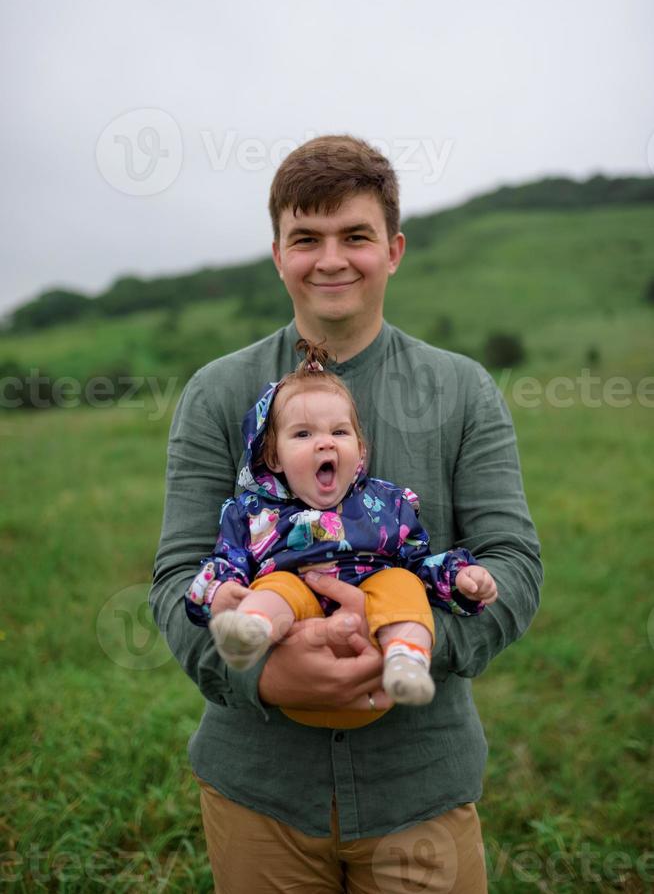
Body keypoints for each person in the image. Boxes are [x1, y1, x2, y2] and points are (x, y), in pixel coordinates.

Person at [150, 134, 542, 893]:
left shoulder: (464, 390)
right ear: (278, 256)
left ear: (393, 249)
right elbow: (174, 578)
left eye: (355, 236)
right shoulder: (214, 392)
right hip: (257, 789)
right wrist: (264, 674)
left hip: (420, 788)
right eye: (307, 238)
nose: (331, 259)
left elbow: (515, 566)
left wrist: (409, 642)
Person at [184, 339, 498, 725]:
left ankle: (407, 659)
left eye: (339, 432)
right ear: (273, 456)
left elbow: (419, 564)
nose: (325, 442)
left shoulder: (388, 504)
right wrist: (217, 595)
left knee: (402, 582)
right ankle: (250, 632)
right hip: (292, 658)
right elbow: (224, 564)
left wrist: (459, 577)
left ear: (360, 450)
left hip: (375, 645)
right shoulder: (252, 513)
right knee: (276, 588)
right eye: (302, 435)